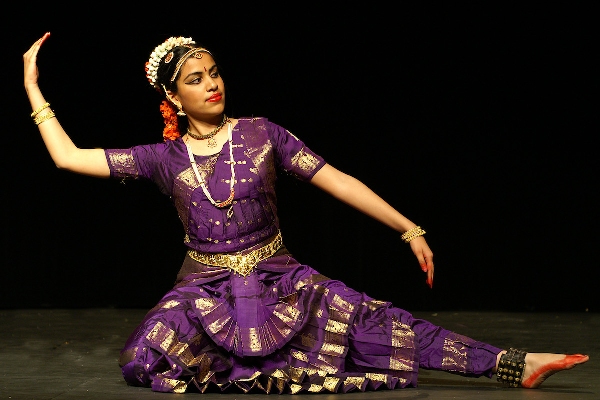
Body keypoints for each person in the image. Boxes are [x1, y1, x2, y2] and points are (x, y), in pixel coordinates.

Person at [23, 32, 589, 395]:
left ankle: (516, 363)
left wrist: (407, 227)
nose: (212, 83)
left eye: (214, 72)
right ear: (172, 98)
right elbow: (68, 158)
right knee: (148, 357)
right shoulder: (161, 159)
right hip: (205, 290)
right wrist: (33, 90)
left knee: (381, 329)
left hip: (281, 280)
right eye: (195, 79)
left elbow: (336, 180)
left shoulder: (262, 134)